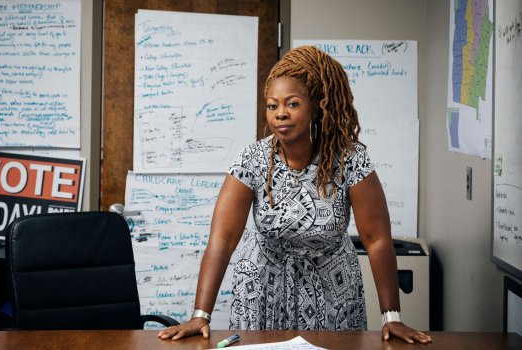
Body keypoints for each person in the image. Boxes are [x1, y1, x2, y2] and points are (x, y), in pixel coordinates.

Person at [158, 45, 432, 344]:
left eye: (292, 104)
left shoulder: (351, 160)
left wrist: (392, 317)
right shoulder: (252, 159)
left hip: (333, 294)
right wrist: (201, 314)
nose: (280, 114)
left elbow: (377, 239)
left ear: (315, 105)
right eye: (272, 106)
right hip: (263, 291)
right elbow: (222, 239)